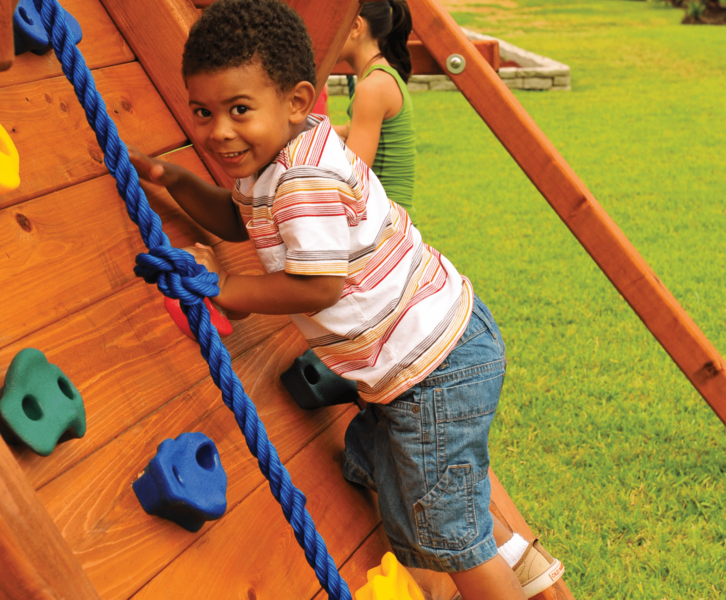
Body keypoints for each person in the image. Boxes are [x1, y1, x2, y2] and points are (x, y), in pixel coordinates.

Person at [126, 1, 562, 598]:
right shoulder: (277, 158)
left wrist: (226, 289)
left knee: (449, 534)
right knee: (381, 472)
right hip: (423, 361)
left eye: (238, 110)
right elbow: (238, 221)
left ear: (298, 102)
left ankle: (503, 563)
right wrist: (176, 181)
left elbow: (318, 285)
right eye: (202, 112)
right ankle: (505, 553)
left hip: (434, 369)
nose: (218, 130)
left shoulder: (305, 180)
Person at [332, 0, 416, 216]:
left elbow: (352, 178)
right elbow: (353, 132)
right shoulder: (383, 76)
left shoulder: (373, 87)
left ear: (356, 26)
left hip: (386, 229)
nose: (325, 35)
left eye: (333, 24)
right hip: (390, 222)